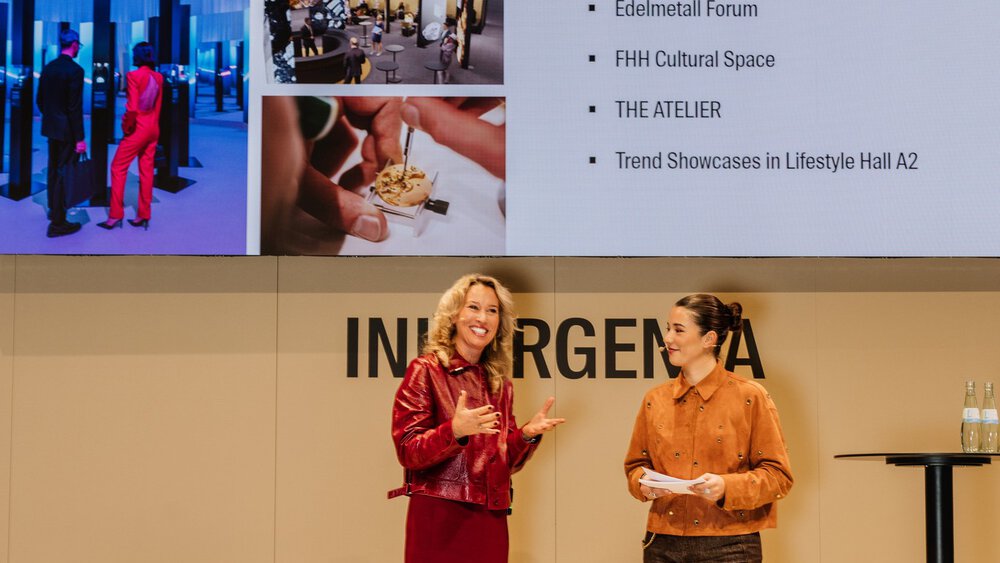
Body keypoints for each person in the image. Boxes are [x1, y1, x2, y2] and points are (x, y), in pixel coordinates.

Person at [390, 274, 565, 563]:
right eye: (473, 307)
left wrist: (526, 436)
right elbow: (408, 450)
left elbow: (503, 463)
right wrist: (454, 431)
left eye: (492, 310)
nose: (483, 318)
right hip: (439, 517)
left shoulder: (500, 384)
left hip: (489, 519)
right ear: (454, 315)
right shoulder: (426, 370)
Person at [624, 294, 793, 563]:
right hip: (662, 543)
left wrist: (727, 486)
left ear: (709, 339)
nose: (667, 338)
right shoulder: (655, 399)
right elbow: (635, 466)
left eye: (679, 330)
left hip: (731, 545)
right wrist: (644, 486)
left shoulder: (750, 396)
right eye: (668, 329)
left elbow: (778, 477)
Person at [97, 42, 163, 231]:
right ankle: (144, 214)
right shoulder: (158, 77)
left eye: (134, 54)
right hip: (153, 127)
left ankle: (115, 215)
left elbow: (132, 108)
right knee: (147, 171)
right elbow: (158, 106)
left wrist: (126, 127)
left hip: (138, 129)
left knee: (118, 167)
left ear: (138, 56)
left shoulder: (133, 76)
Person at [36, 28, 87, 238]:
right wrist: (80, 138)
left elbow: (40, 100)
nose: (78, 49)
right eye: (79, 46)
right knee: (64, 173)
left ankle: (53, 208)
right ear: (74, 44)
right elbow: (74, 108)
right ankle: (58, 223)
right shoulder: (75, 71)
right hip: (67, 132)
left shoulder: (49, 68)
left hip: (51, 128)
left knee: (53, 170)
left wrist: (52, 118)